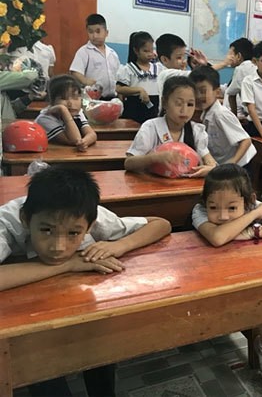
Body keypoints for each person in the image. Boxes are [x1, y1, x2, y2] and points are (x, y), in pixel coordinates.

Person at [0, 166, 171, 396]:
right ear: (26, 219)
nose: (58, 247)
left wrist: (119, 245)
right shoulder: (8, 220)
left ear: (90, 226)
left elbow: (160, 223)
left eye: (73, 234)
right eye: (46, 230)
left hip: (73, 301)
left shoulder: (88, 215)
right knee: (34, 354)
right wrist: (67, 265)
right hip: (21, 315)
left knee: (99, 334)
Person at [192, 163, 262, 370]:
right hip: (212, 278)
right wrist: (255, 215)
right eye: (214, 207)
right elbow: (218, 237)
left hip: (250, 273)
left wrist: (255, 231)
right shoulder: (200, 210)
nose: (223, 215)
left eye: (232, 207)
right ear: (205, 203)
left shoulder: (256, 206)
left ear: (249, 201)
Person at [125, 76, 216, 177]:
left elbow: (210, 162)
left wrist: (209, 169)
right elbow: (129, 163)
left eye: (190, 104)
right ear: (164, 103)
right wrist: (154, 157)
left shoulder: (197, 131)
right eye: (178, 103)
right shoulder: (150, 127)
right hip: (153, 185)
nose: (184, 110)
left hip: (187, 187)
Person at [189, 65, 256, 168]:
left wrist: (232, 163)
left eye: (203, 91)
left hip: (241, 164)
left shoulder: (221, 114)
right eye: (194, 92)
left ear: (217, 92)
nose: (198, 96)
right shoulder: (205, 113)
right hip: (224, 163)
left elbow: (246, 141)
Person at [35, 74, 98, 151]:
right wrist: (64, 111)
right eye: (64, 98)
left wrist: (84, 142)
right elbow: (74, 140)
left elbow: (92, 134)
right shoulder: (45, 118)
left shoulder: (76, 111)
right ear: (52, 101)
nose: (70, 103)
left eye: (75, 97)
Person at [69, 13, 120, 100]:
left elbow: (118, 76)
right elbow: (75, 72)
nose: (94, 35)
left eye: (98, 31)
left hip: (112, 97)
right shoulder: (84, 51)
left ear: (106, 33)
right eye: (90, 32)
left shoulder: (112, 54)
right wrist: (85, 80)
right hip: (92, 98)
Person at [116, 31, 163, 123]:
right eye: (145, 51)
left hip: (153, 111)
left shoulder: (158, 68)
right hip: (134, 110)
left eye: (151, 50)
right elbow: (119, 88)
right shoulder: (128, 69)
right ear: (136, 51)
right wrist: (139, 90)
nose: (150, 54)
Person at [223, 37, 255, 119]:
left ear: (239, 56)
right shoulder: (252, 67)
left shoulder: (242, 69)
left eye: (230, 54)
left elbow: (231, 94)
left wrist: (235, 119)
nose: (227, 56)